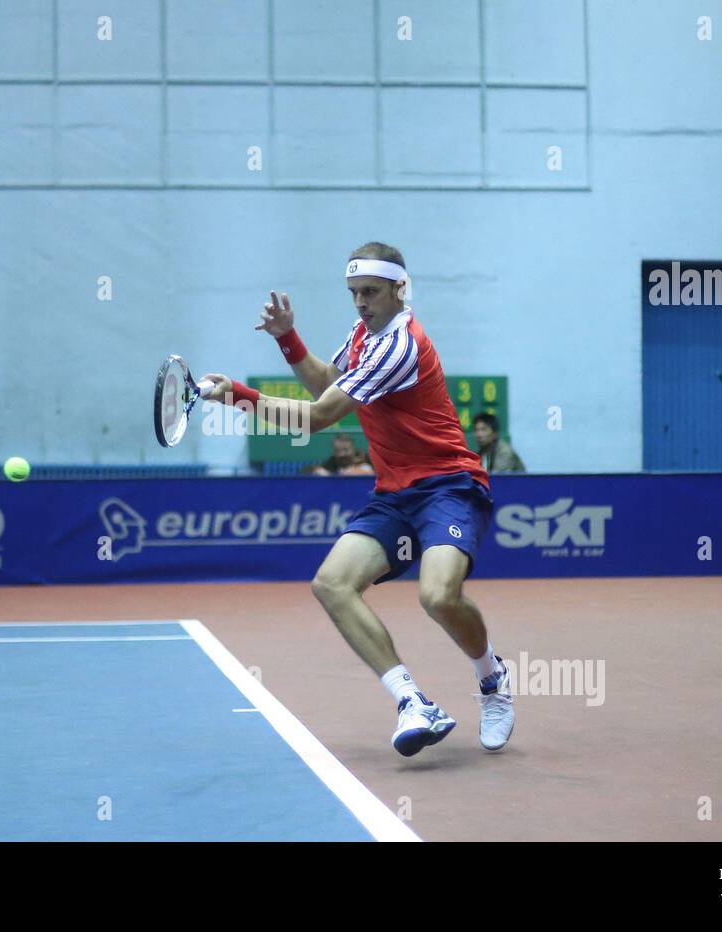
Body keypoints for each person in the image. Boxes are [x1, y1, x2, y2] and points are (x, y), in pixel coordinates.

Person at [202, 242, 513, 758]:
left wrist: (237, 395)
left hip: (449, 486)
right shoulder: (362, 336)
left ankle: (492, 679)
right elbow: (330, 383)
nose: (361, 303)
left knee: (437, 596)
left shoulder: (400, 345)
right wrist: (288, 339)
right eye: (353, 293)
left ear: (399, 288)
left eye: (370, 292)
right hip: (394, 493)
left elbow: (322, 415)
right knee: (331, 583)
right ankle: (413, 703)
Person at [304, 432, 374, 476]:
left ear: (353, 449)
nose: (342, 454)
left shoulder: (365, 458)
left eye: (345, 450)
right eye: (337, 451)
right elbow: (307, 471)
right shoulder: (333, 461)